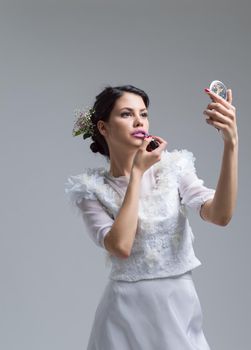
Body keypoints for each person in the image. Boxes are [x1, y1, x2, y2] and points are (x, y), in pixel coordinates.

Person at [65, 84, 238, 350]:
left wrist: (230, 144)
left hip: (177, 307)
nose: (138, 121)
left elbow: (220, 216)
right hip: (123, 314)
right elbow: (120, 246)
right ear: (103, 127)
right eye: (126, 114)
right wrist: (136, 173)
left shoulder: (174, 168)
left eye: (143, 114)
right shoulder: (90, 189)